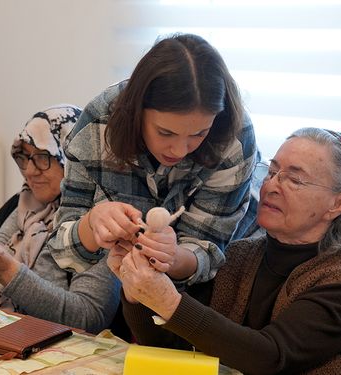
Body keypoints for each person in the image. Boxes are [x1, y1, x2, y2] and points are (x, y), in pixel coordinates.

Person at [112, 128, 341, 373]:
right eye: (272, 172)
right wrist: (136, 286)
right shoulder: (238, 256)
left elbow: (269, 357)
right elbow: (171, 348)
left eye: (295, 179)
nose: (271, 186)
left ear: (339, 203)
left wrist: (168, 301)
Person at [47, 33, 259, 286]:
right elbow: (62, 251)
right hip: (121, 286)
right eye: (165, 132)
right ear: (137, 112)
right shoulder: (100, 124)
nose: (180, 150)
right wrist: (92, 223)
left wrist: (173, 257)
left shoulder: (232, 137)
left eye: (199, 134)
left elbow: (209, 254)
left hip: (206, 299)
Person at [0, 105, 120, 334]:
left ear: (75, 161)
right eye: (24, 157)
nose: (30, 171)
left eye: (43, 157)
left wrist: (5, 269)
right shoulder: (18, 205)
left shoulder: (98, 222)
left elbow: (89, 317)